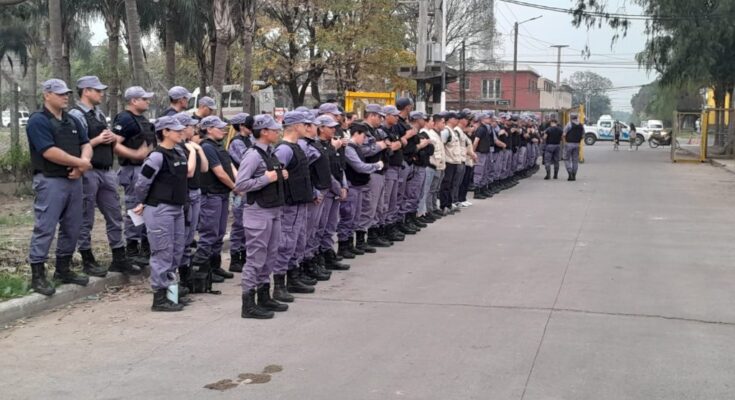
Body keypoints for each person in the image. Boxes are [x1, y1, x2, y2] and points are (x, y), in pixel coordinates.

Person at [26, 79, 92, 296]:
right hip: (50, 180)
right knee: (46, 226)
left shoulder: (72, 119)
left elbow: (86, 144)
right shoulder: (38, 120)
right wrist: (80, 163)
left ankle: (63, 269)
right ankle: (38, 275)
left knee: (73, 225)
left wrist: (81, 166)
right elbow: (48, 151)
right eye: (60, 93)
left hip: (74, 180)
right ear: (47, 95)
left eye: (67, 93)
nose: (65, 97)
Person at [70, 76, 139, 278]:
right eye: (98, 90)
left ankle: (119, 257)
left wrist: (110, 138)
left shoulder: (99, 114)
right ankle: (87, 258)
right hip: (88, 171)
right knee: (86, 216)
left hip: (106, 170)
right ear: (86, 91)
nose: (102, 93)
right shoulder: (76, 115)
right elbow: (75, 147)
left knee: (115, 214)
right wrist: (98, 139)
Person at [133, 116, 197, 311]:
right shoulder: (156, 157)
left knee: (176, 252)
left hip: (177, 208)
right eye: (175, 129)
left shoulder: (178, 152)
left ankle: (172, 295)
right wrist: (143, 201)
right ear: (165, 132)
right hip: (160, 209)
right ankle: (159, 299)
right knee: (163, 253)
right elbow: (141, 184)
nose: (181, 132)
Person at [234, 114, 288, 319]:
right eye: (274, 130)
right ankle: (248, 303)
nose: (278, 132)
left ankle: (264, 296)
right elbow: (240, 185)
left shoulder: (270, 152)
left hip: (273, 209)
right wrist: (266, 179)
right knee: (256, 258)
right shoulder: (253, 155)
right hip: (258, 211)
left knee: (270, 255)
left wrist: (280, 176)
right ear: (264, 132)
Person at [273, 111, 317, 301]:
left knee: (297, 242)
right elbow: (274, 172)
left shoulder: (296, 146)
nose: (307, 127)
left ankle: (293, 276)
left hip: (300, 202)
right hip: (290, 205)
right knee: (286, 244)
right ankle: (279, 284)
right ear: (296, 126)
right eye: (304, 124)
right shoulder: (285, 149)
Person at [112, 86, 156, 266]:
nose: (148, 101)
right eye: (144, 99)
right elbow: (113, 144)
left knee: (145, 208)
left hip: (146, 168)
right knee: (134, 209)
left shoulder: (142, 119)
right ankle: (132, 248)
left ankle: (145, 246)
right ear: (133, 101)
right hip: (133, 169)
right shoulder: (125, 118)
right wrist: (135, 154)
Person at [191, 116, 237, 288]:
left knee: (219, 233)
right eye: (220, 127)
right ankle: (202, 270)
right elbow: (219, 172)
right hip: (211, 195)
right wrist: (235, 187)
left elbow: (229, 167)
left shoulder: (218, 146)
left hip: (221, 194)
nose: (224, 130)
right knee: (209, 233)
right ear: (209, 129)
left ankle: (214, 266)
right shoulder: (207, 147)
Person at [172, 112, 208, 289]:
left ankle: (186, 277)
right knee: (182, 238)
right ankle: (177, 280)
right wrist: (193, 151)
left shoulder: (191, 146)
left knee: (189, 236)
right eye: (191, 126)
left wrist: (198, 149)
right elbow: (189, 171)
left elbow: (204, 168)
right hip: (185, 195)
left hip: (196, 192)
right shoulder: (179, 148)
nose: (194, 129)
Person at [338, 121, 384, 257]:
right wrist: (376, 165)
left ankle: (349, 244)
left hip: (358, 186)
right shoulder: (349, 148)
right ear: (356, 134)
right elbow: (359, 167)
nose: (364, 140)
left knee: (355, 217)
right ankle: (343, 246)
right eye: (363, 136)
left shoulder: (355, 147)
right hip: (351, 186)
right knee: (348, 216)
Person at [226, 113, 255, 273]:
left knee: (248, 223)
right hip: (240, 188)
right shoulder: (237, 142)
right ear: (241, 126)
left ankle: (244, 253)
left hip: (249, 186)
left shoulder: (249, 140)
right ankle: (235, 256)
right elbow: (246, 160)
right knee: (239, 223)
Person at [563, 113, 584, 181]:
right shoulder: (581, 125)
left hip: (569, 144)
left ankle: (570, 173)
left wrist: (565, 142)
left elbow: (564, 134)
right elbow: (583, 135)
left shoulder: (569, 124)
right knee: (575, 160)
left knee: (566, 159)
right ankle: (574, 175)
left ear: (570, 118)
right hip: (577, 144)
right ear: (577, 117)